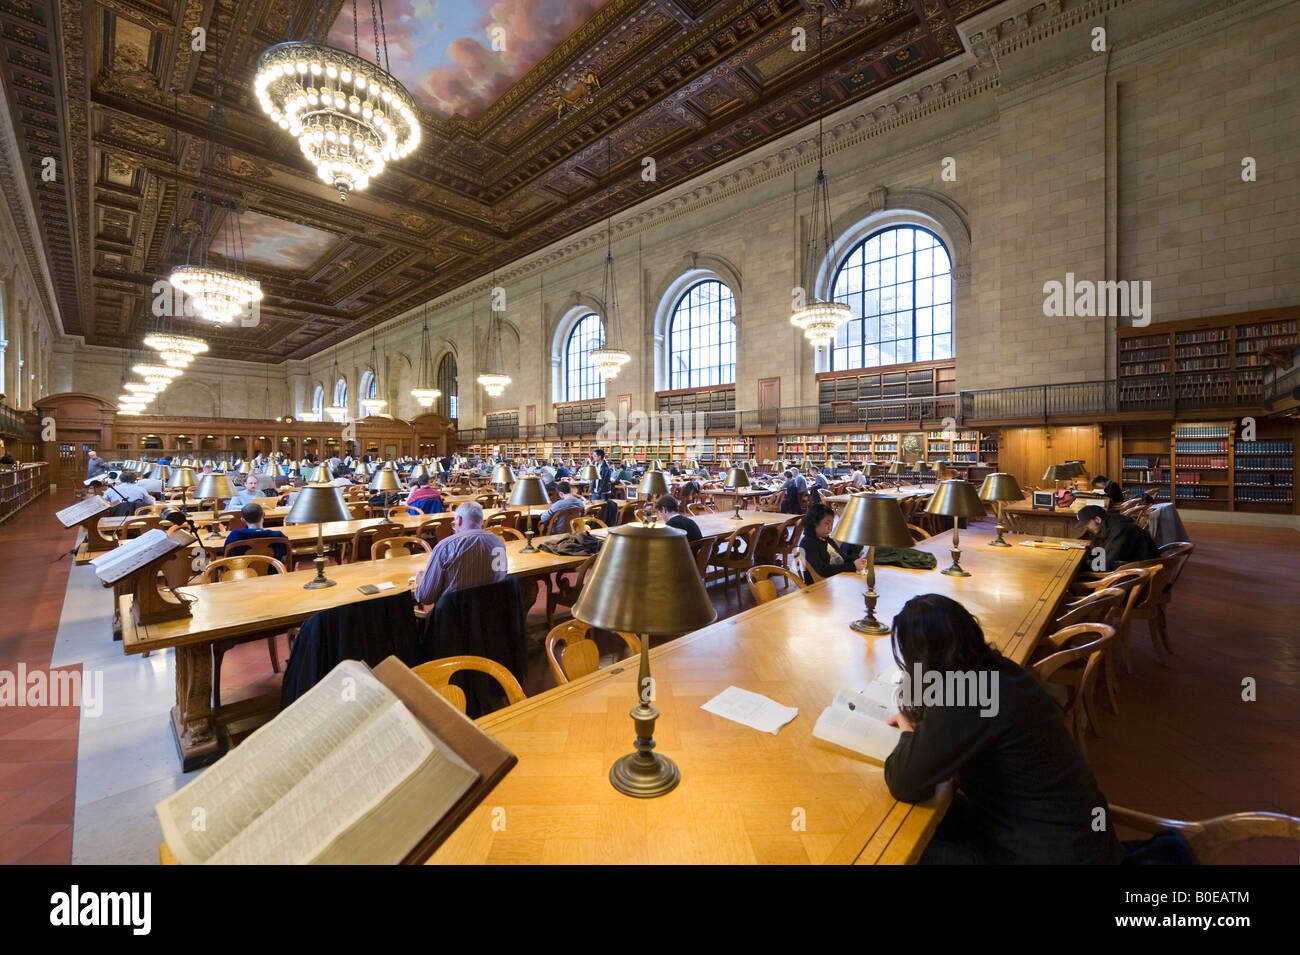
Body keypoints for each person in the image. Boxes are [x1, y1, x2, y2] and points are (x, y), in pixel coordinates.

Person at [883, 594, 1123, 864]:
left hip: (1044, 854)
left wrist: (908, 731)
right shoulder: (999, 670)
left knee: (892, 847)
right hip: (1076, 838)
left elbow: (906, 784)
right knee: (933, 817)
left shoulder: (969, 695)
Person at [412, 502, 507, 606]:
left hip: (455, 617)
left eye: (454, 524)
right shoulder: (498, 542)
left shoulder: (445, 547)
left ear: (459, 520)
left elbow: (425, 597)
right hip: (492, 612)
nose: (454, 528)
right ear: (481, 521)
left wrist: (421, 581)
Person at [797, 502, 866, 584]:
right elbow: (822, 570)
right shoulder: (808, 543)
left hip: (836, 578)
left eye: (831, 524)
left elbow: (843, 557)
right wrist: (853, 565)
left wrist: (858, 560)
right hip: (821, 584)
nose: (830, 528)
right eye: (826, 523)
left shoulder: (825, 538)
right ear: (814, 523)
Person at [1076, 504, 1157, 571]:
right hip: (1131, 566)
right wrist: (1091, 551)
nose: (1086, 527)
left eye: (1086, 524)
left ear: (1097, 519)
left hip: (1141, 573)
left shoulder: (1119, 530)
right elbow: (1108, 553)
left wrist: (1081, 564)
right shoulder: (1110, 524)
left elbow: (1107, 563)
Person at [224, 502, 291, 566]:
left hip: (242, 575)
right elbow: (286, 551)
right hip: (273, 574)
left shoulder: (235, 536)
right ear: (264, 515)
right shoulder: (278, 536)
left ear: (243, 520)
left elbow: (226, 553)